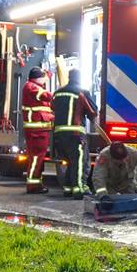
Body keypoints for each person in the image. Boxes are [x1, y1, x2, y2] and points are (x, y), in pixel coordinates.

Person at [51, 69, 98, 197]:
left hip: (59, 134)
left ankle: (68, 188)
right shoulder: (82, 92)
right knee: (80, 162)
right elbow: (93, 111)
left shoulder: (58, 92)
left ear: (69, 77)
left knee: (69, 161)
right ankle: (79, 188)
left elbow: (53, 107)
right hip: (75, 134)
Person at [19, 68, 54, 194]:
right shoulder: (31, 87)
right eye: (43, 78)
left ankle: (37, 184)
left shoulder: (32, 86)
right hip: (36, 130)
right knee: (36, 158)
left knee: (37, 158)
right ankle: (33, 185)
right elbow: (45, 96)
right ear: (38, 78)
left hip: (39, 129)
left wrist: (48, 76)